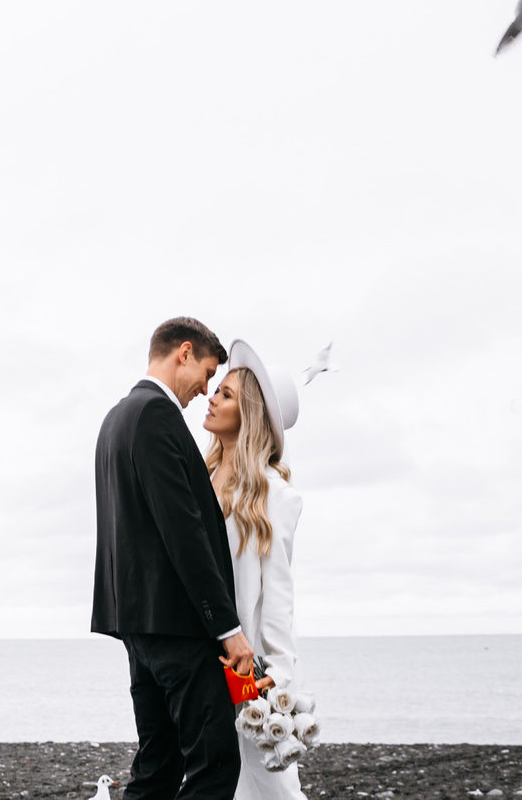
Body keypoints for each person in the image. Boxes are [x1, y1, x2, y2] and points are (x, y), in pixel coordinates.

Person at [94, 317, 257, 800]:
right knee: (213, 764)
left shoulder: (116, 418)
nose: (204, 390)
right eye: (206, 373)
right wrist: (227, 629)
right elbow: (182, 531)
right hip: (179, 631)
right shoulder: (156, 416)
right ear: (182, 353)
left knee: (158, 765)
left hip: (136, 625)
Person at [202, 339, 305, 800]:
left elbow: (279, 596)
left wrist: (277, 680)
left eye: (224, 394)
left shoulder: (275, 496)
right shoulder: (197, 476)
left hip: (246, 672)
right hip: (197, 660)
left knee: (267, 785)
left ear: (248, 413)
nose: (211, 397)